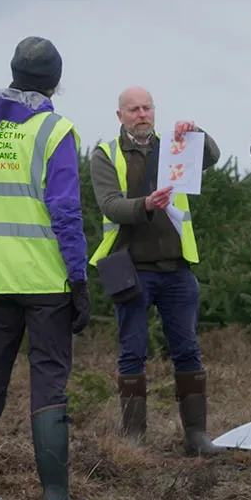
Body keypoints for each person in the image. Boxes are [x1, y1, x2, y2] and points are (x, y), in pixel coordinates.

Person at [0, 37, 90, 500]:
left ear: (13, 73)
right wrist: (79, 278)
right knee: (48, 380)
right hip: (46, 281)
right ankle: (55, 498)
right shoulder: (54, 131)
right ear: (54, 81)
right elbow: (66, 212)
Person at [88, 87, 219, 454]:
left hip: (177, 269)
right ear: (120, 116)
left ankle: (197, 437)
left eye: (147, 108)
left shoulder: (175, 144)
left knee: (188, 350)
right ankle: (134, 440)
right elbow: (110, 205)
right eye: (133, 109)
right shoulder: (105, 155)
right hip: (130, 268)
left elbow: (210, 158)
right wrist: (145, 204)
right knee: (132, 351)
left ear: (154, 112)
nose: (141, 114)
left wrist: (197, 133)